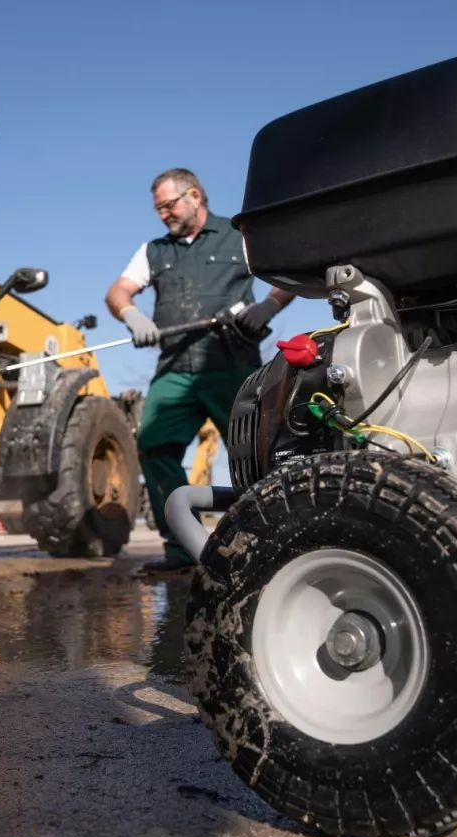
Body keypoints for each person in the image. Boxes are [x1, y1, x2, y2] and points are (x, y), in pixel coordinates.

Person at [105, 168, 296, 572]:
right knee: (153, 443)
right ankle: (182, 549)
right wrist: (133, 316)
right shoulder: (154, 250)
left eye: (168, 205)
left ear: (194, 196)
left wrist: (269, 306)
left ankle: (269, 546)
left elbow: (291, 270)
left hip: (232, 366)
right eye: (158, 209)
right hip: (174, 367)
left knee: (256, 453)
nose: (163, 215)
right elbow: (117, 291)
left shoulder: (239, 234)